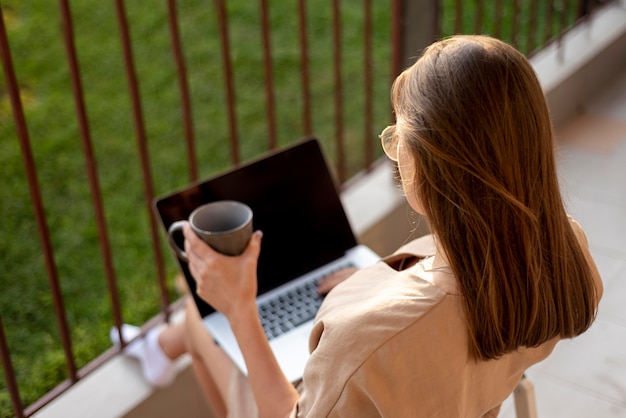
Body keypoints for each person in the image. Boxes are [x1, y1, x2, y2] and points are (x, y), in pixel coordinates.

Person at [112, 34, 602, 417]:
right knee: (195, 325)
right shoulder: (562, 252)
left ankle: (164, 345)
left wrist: (240, 310)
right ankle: (158, 348)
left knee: (202, 320)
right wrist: (380, 287)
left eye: (399, 135)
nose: (395, 148)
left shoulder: (364, 340)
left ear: (429, 167)